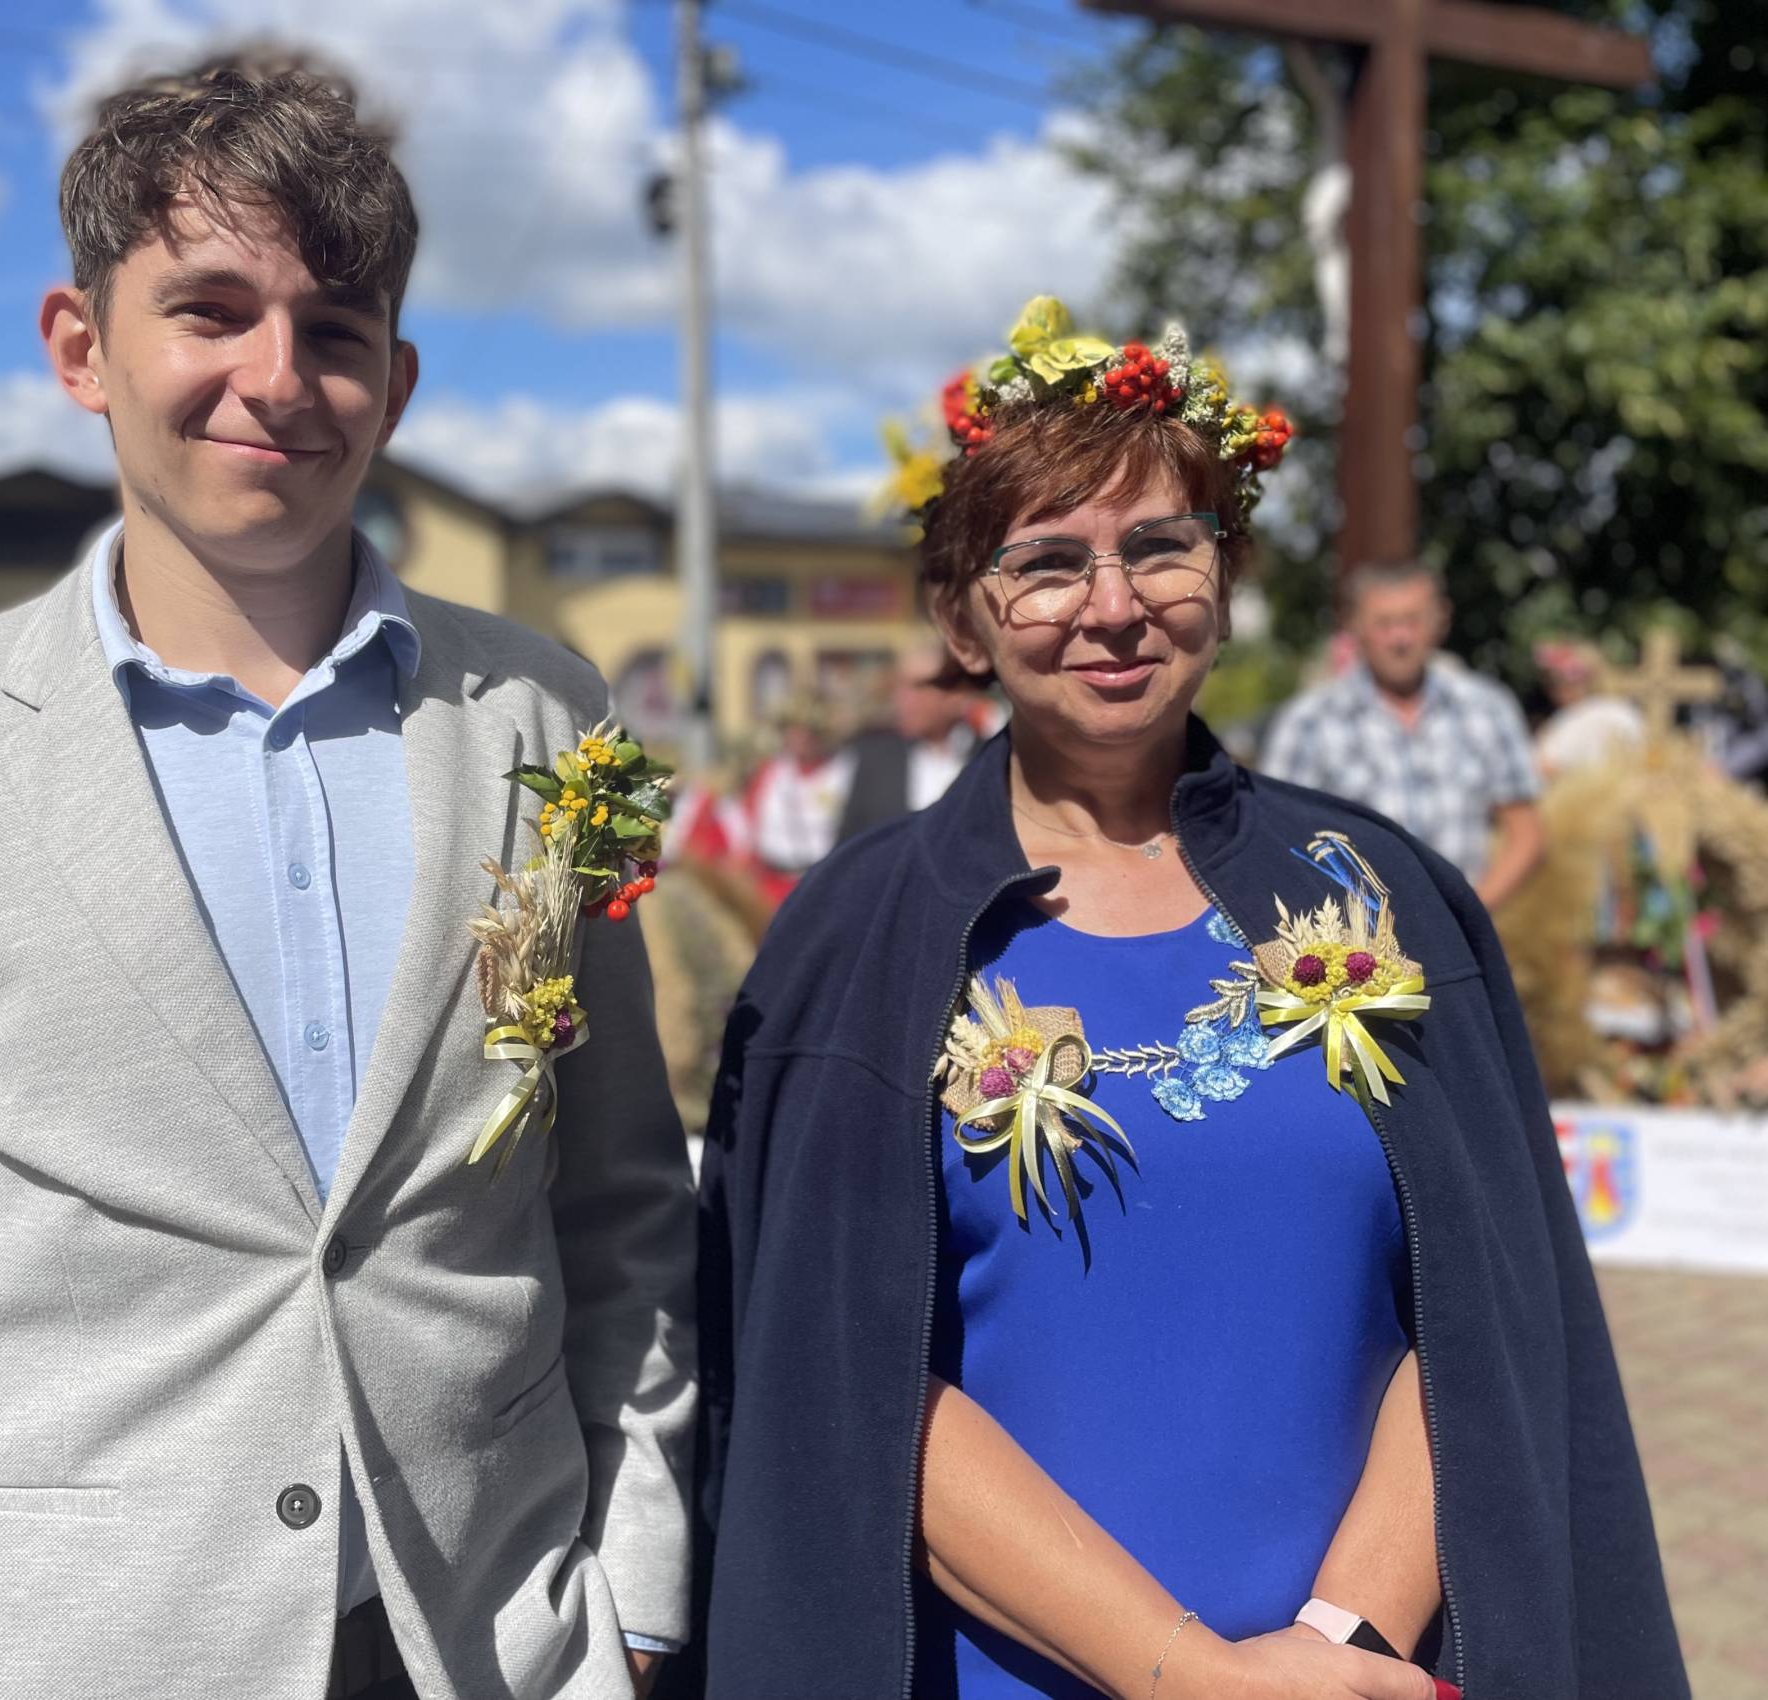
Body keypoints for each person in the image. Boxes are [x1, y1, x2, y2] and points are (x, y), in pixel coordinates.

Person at [0, 53, 693, 1700]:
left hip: (488, 1633)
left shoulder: (544, 718)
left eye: (334, 331)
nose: (276, 378)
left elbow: (618, 1198)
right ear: (80, 347)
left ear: (397, 381)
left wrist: (639, 1600)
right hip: (78, 1650)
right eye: (211, 311)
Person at [690, 300, 1685, 1700]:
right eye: (1045, 563)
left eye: (1160, 545)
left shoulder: (1383, 892)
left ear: (1226, 572)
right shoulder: (854, 938)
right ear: (959, 616)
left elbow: (1485, 1307)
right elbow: (834, 1370)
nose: (1112, 606)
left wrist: (1331, 1646)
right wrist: (1190, 1674)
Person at [1260, 563, 1543, 908]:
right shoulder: (1308, 723)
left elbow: (1526, 835)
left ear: (1441, 619)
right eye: (1384, 624)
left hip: (1468, 925)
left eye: (1413, 621)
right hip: (1356, 936)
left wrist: (1468, 916)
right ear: (1354, 625)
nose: (1400, 639)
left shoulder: (1486, 708)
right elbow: (1274, 844)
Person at [835, 636, 982, 846]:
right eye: (899, 686)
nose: (902, 698)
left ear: (958, 695)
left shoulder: (995, 757)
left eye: (918, 687)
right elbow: (849, 847)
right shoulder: (875, 760)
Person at [743, 709, 852, 906]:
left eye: (807, 732)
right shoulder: (771, 771)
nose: (799, 739)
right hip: (770, 883)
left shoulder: (843, 772)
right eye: (792, 731)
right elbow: (748, 821)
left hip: (822, 884)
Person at [1531, 639, 1643, 780]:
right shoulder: (1622, 711)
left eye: (1561, 682)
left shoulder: (1601, 714)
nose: (1554, 691)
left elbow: (1550, 766)